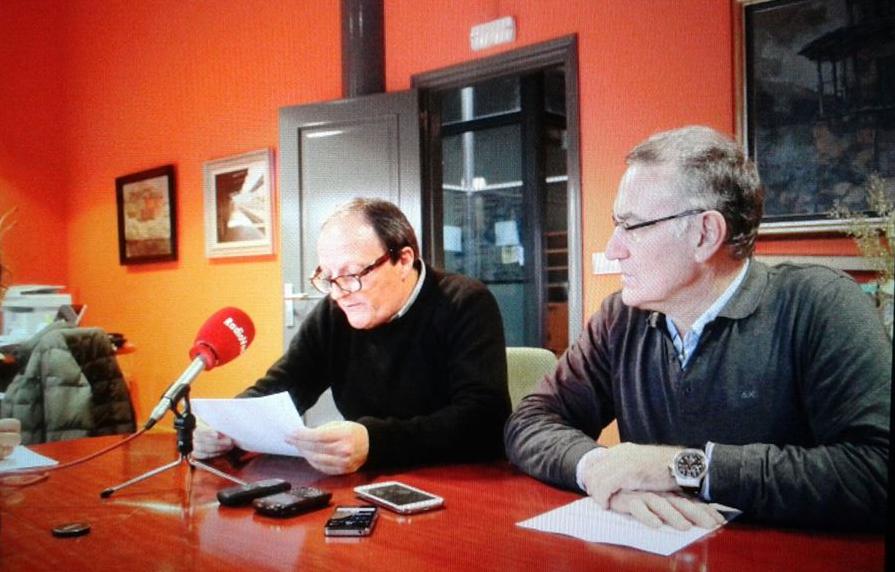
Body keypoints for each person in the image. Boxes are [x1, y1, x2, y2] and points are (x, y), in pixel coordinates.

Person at [504, 125, 890, 531]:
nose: (614, 249)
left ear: (705, 234)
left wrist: (686, 468)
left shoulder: (819, 304)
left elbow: (876, 468)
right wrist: (603, 470)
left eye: (632, 226)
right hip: (659, 549)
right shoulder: (620, 318)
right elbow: (530, 421)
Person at [195, 198, 510, 474]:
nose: (339, 293)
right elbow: (286, 384)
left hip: (458, 480)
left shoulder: (464, 302)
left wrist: (375, 442)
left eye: (352, 274)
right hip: (368, 481)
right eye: (328, 277)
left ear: (403, 260)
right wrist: (226, 426)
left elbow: (484, 421)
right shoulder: (334, 313)